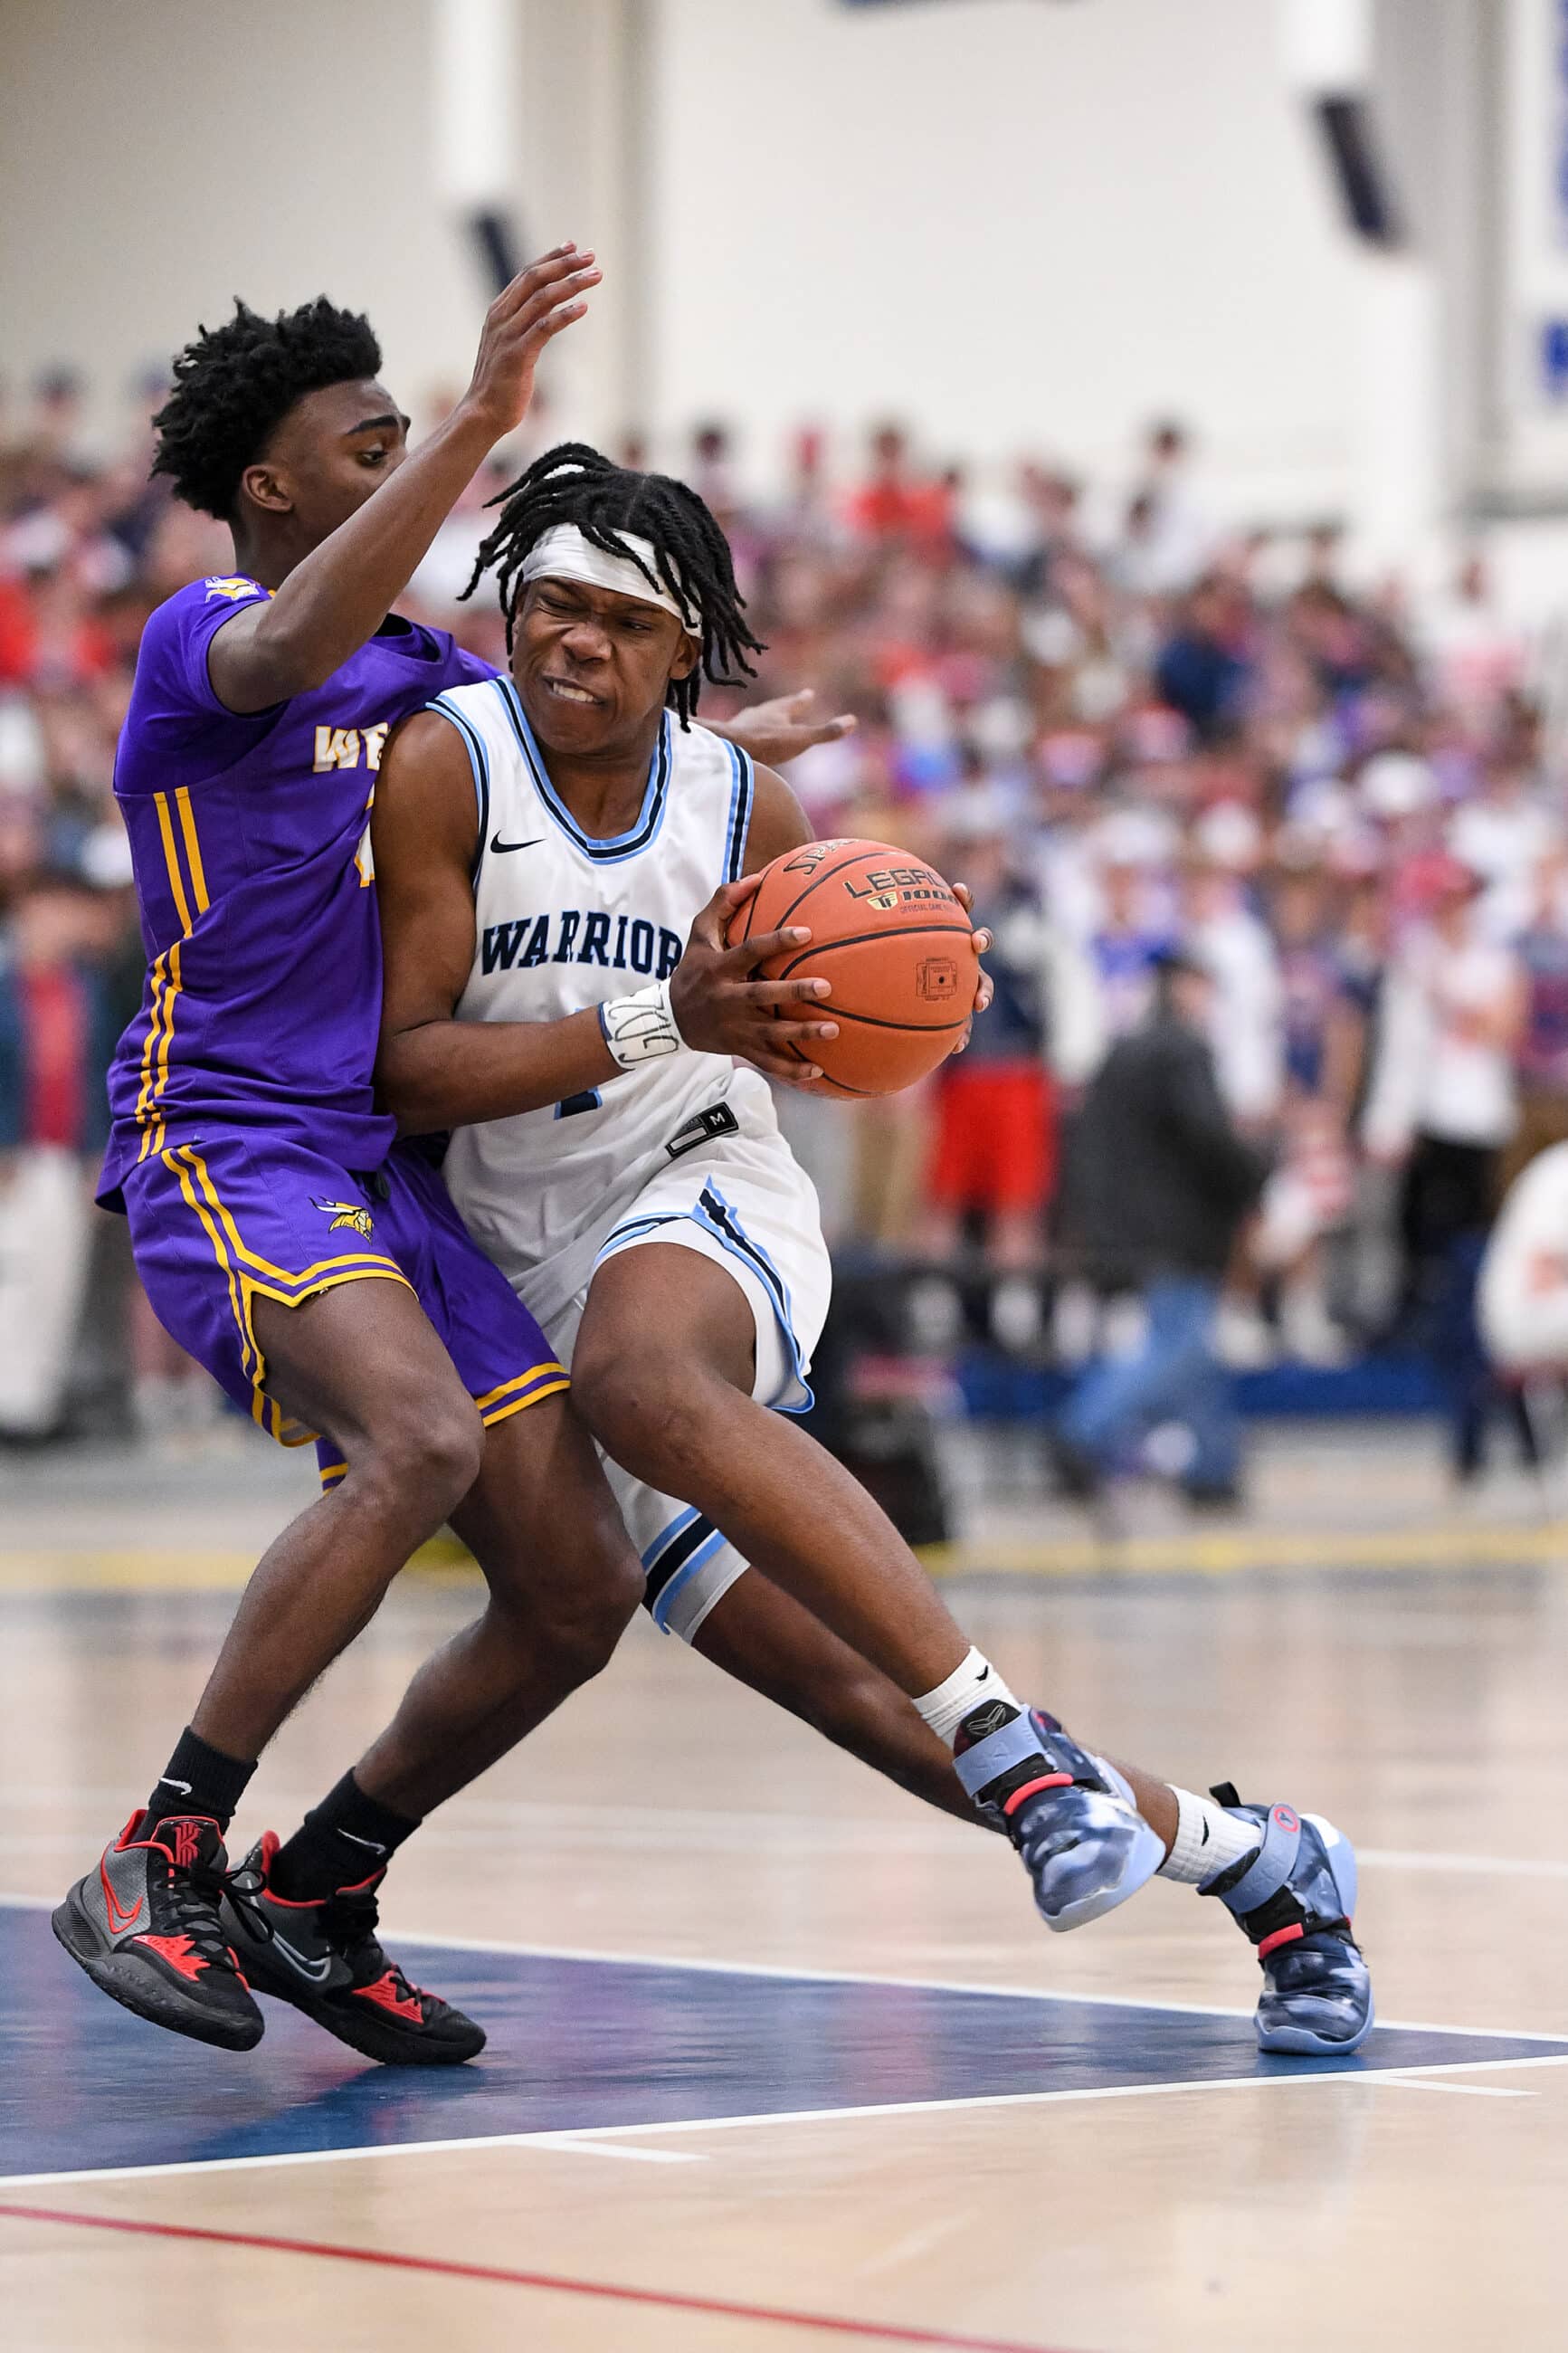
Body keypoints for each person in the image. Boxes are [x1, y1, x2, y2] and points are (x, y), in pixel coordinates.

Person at [357, 443, 1372, 2056]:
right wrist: (660, 1011)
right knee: (846, 1695)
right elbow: (408, 1068)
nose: (574, 640)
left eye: (621, 621)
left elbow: (819, 1021)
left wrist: (889, 995)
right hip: (515, 1255)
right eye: (548, 603)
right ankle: (1259, 1860)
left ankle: (1010, 1745)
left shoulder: (742, 802)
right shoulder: (449, 765)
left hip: (701, 1196)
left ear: (683, 653)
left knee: (643, 1378)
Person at [52, 262, 853, 2067]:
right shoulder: (201, 641)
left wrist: (710, 756)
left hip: (391, 1167)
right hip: (233, 1127)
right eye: (369, 446)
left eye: (414, 438)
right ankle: (157, 1853)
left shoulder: (430, 678)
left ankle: (318, 1884)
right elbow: (282, 654)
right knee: (417, 1443)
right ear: (271, 485)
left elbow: (553, 759)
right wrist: (489, 415)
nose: (407, 462)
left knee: (575, 1593)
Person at [1054, 950, 1269, 1507]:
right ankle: (1082, 1430)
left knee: (1195, 1346)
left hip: (1127, 1225)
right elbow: (1209, 1139)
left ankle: (1213, 1467)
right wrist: (1256, 1171)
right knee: (1179, 1344)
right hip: (1177, 1229)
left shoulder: (1122, 1051)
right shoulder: (1182, 1052)